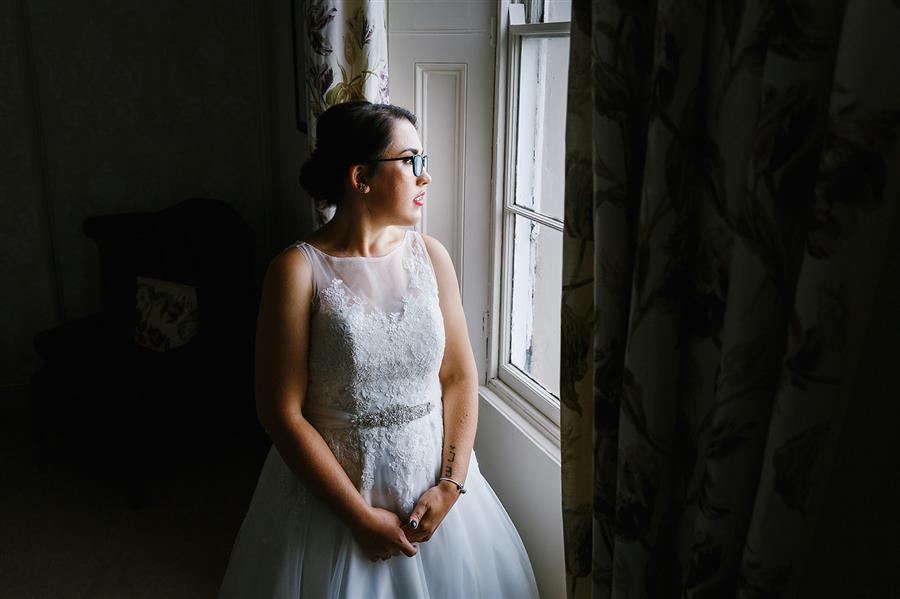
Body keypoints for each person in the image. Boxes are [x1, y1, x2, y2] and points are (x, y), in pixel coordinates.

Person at [217, 101, 539, 598]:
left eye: (423, 160)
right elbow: (280, 412)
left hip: (436, 491)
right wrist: (358, 517)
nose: (424, 177)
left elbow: (459, 377)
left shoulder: (432, 256)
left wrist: (451, 486)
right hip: (336, 500)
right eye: (410, 161)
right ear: (360, 176)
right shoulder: (296, 271)